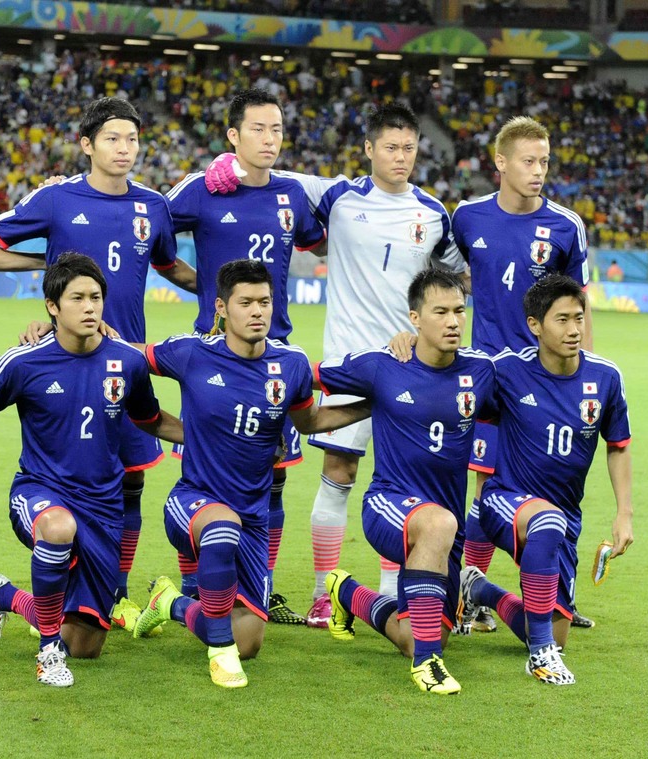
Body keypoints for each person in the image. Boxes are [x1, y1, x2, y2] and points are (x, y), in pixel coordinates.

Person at [205, 103, 467, 625]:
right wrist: (225, 162)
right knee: (338, 473)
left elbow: (457, 281)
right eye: (390, 147)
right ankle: (326, 594)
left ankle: (396, 596)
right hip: (350, 362)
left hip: (411, 367)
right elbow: (268, 169)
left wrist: (430, 335)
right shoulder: (339, 197)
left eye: (409, 148)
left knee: (407, 485)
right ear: (368, 149)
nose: (400, 157)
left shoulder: (434, 214)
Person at [0, 97, 197, 632]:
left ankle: (112, 594)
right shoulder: (56, 198)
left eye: (133, 140)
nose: (125, 150)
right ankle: (59, 595)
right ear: (87, 145)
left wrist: (225, 300)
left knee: (131, 485)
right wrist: (45, 263)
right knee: (72, 479)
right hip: (68, 362)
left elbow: (172, 267)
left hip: (128, 366)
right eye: (113, 139)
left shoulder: (153, 207)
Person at [132, 260, 371, 688]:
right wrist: (67, 333)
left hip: (254, 518)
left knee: (250, 642)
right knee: (222, 530)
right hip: (193, 503)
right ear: (222, 308)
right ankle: (220, 657)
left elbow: (309, 420)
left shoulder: (292, 364)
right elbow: (126, 356)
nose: (257, 311)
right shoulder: (192, 353)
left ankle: (170, 601)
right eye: (246, 303)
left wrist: (373, 405)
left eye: (264, 302)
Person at [0, 254, 182, 687]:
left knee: (86, 645)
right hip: (40, 493)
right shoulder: (24, 362)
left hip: (102, 508)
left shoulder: (127, 362)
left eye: (95, 297)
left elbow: (151, 420)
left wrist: (207, 438)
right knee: (58, 529)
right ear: (51, 307)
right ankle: (47, 652)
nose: (89, 307)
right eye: (77, 297)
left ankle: (1, 594)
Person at [164, 88, 326, 624]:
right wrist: (198, 286)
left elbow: (319, 241)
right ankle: (192, 584)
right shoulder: (201, 189)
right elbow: (150, 235)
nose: (269, 139)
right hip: (214, 357)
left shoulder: (293, 195)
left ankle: (264, 584)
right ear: (233, 136)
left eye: (277, 129)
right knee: (207, 472)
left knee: (273, 475)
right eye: (257, 129)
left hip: (275, 354)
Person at [316, 270, 494, 695]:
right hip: (387, 505)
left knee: (420, 630)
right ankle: (427, 666)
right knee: (438, 526)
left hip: (444, 530)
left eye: (458, 310)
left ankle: (349, 594)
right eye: (441, 312)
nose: (453, 321)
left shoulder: (482, 372)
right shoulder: (383, 365)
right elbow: (303, 374)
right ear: (415, 317)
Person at [448, 116, 593, 633]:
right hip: (489, 378)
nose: (538, 171)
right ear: (501, 163)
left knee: (555, 484)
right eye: (529, 161)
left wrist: (584, 376)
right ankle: (473, 592)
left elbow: (578, 306)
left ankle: (549, 595)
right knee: (489, 487)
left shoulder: (565, 225)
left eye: (545, 161)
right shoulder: (466, 218)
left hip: (547, 379)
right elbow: (450, 274)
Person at [459, 275, 632, 685]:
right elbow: (446, 368)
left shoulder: (605, 378)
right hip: (506, 501)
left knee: (557, 633)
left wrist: (624, 512)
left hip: (565, 516)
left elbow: (618, 445)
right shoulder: (505, 371)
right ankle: (539, 657)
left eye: (579, 318)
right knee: (546, 524)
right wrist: (407, 342)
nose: (575, 330)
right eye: (562, 320)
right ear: (535, 325)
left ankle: (480, 589)